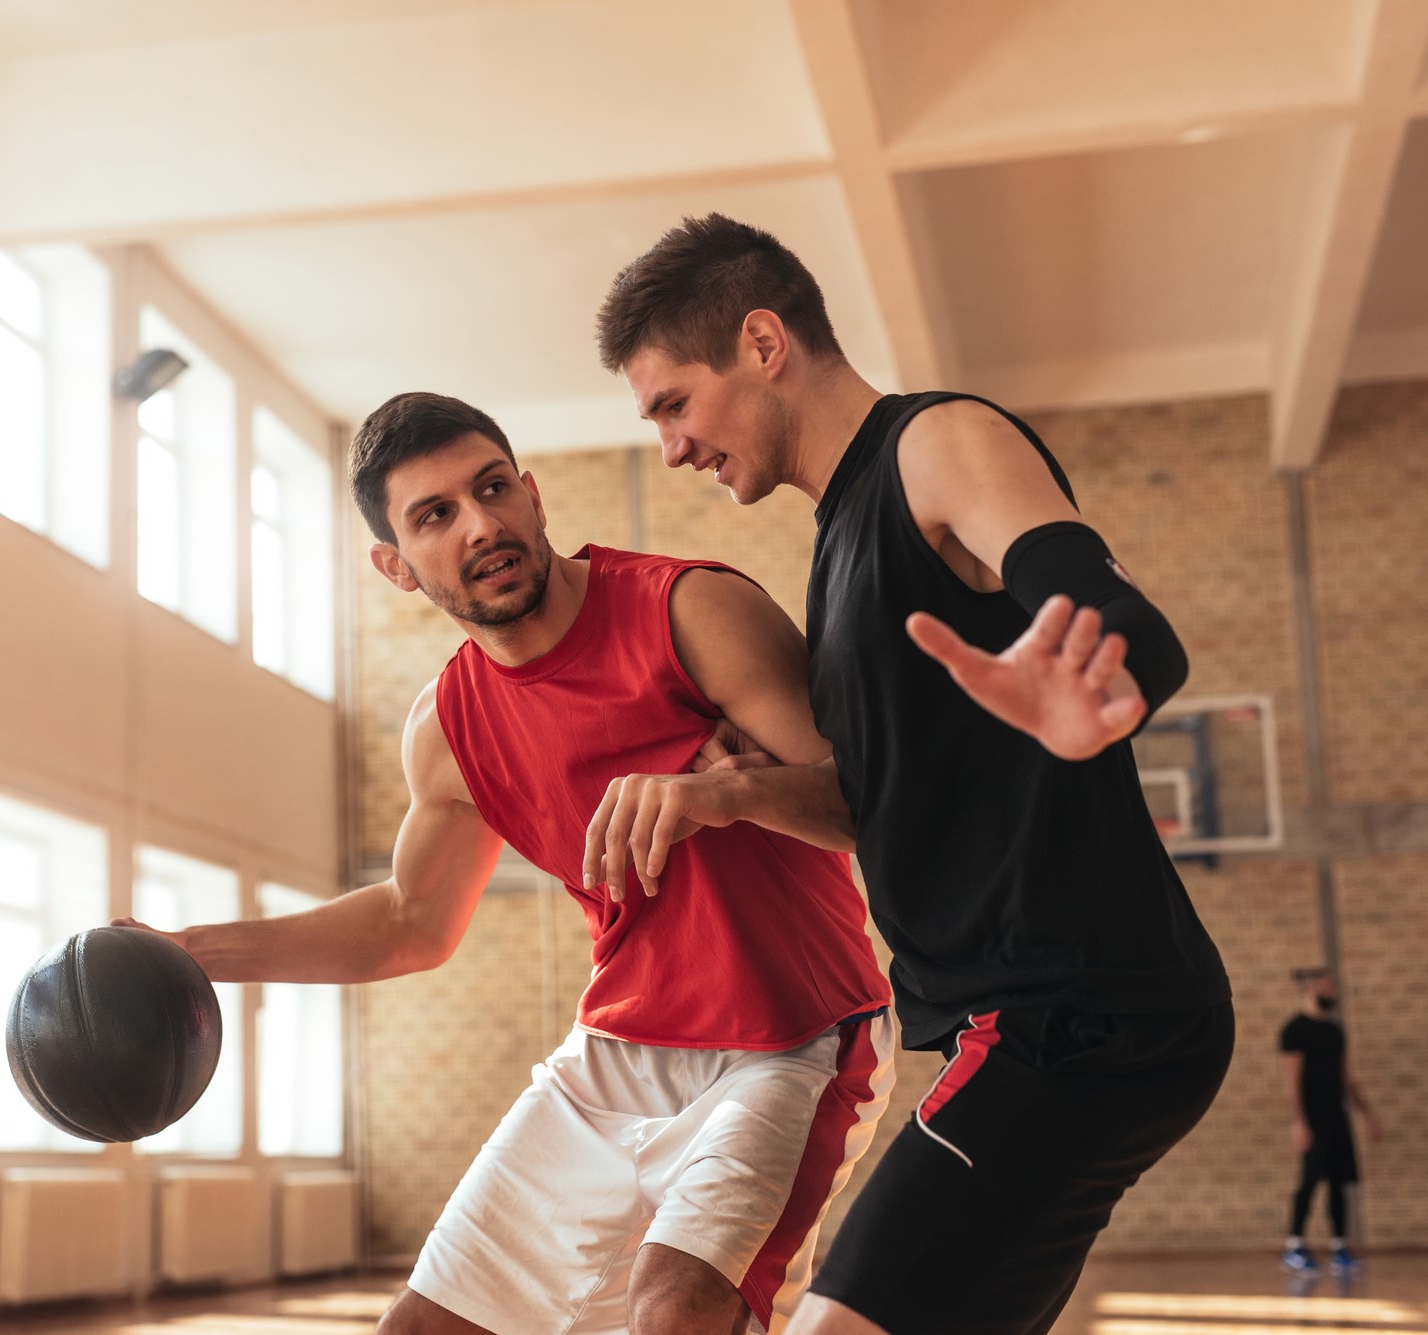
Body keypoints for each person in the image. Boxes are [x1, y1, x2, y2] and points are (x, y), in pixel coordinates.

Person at [120, 391, 895, 1335]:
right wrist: (188, 951)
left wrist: (725, 796)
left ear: (533, 496)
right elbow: (411, 922)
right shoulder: (447, 728)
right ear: (396, 565)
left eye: (492, 488)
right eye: (435, 514)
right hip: (618, 1053)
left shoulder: (690, 609)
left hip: (792, 1036)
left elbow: (874, 808)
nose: (481, 524)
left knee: (675, 1310)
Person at [585, 214, 1235, 1335]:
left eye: (672, 406)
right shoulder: (837, 549)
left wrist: (1096, 687)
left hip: (1073, 1016)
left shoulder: (934, 445)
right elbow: (869, 811)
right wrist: (729, 796)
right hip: (1039, 1018)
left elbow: (1122, 619)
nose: (672, 450)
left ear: (760, 341)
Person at [1280, 968, 1379, 1278]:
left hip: (1337, 1115)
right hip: (1312, 1116)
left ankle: (1339, 1246)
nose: (1332, 993)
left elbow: (1345, 1077)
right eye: (1327, 987)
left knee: (1340, 1180)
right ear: (1310, 989)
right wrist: (1300, 1122)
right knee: (1309, 1180)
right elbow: (1292, 1082)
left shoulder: (1335, 1031)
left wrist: (1366, 1114)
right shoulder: (1294, 1031)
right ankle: (1295, 1245)